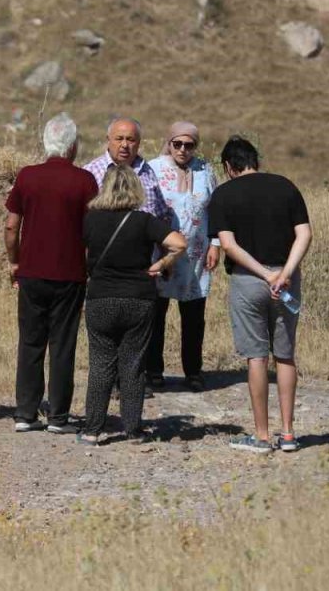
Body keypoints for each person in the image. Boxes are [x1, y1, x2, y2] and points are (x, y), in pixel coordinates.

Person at [208, 136, 312, 455]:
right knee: (284, 355)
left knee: (257, 356)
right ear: (257, 160)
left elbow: (228, 245)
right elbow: (304, 233)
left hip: (248, 281)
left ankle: (262, 436)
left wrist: (265, 275)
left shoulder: (224, 194)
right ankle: (290, 433)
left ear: (228, 167)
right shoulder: (285, 186)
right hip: (287, 280)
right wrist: (284, 273)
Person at [4, 113, 99, 433]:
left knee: (30, 342)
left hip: (31, 271)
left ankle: (25, 413)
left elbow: (11, 226)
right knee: (62, 344)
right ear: (72, 145)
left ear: (47, 142)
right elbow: (92, 230)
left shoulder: (27, 176)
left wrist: (14, 261)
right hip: (70, 273)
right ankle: (58, 417)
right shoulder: (85, 181)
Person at [80, 164, 187, 446]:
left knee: (101, 364)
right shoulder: (144, 220)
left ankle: (92, 429)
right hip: (138, 298)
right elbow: (179, 244)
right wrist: (161, 264)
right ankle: (133, 429)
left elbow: (83, 254)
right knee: (133, 364)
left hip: (100, 297)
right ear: (135, 189)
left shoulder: (90, 220)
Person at [147, 121, 220, 393]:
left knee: (194, 315)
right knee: (156, 313)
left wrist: (216, 244)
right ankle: (153, 369)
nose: (183, 150)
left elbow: (215, 209)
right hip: (162, 252)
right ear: (169, 142)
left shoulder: (205, 170)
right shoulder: (154, 168)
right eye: (177, 143)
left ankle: (193, 370)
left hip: (196, 255)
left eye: (189, 145)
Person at [83, 117, 167, 219]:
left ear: (139, 142)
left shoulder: (147, 171)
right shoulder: (91, 172)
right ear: (108, 140)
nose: (124, 145)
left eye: (130, 140)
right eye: (119, 139)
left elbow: (162, 214)